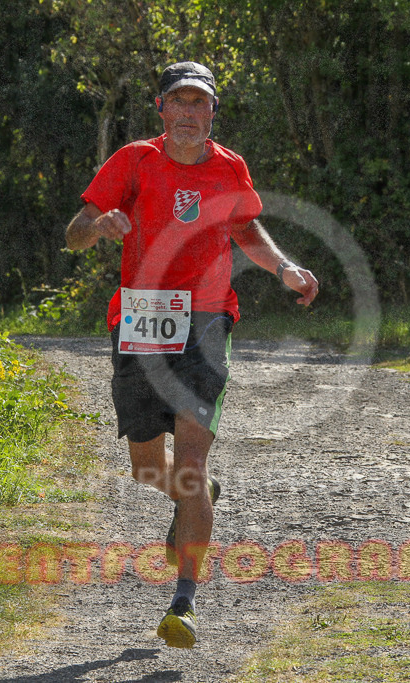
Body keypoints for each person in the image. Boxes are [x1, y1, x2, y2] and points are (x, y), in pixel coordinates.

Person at [65, 61, 318, 649]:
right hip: (139, 318)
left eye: (197, 104)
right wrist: (100, 226)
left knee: (192, 465)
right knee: (149, 468)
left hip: (206, 317)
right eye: (176, 103)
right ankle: (192, 499)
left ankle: (183, 601)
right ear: (160, 109)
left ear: (211, 112)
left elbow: (246, 230)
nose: (186, 113)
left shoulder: (230, 168)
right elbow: (73, 231)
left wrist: (283, 266)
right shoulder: (131, 160)